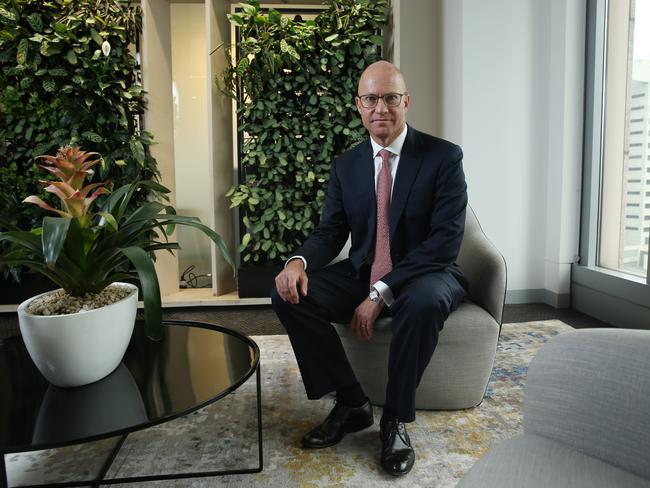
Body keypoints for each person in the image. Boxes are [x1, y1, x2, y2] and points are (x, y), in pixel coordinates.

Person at [271, 60, 468, 476]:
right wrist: (297, 262)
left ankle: (395, 420)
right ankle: (351, 401)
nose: (381, 107)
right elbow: (331, 231)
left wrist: (381, 292)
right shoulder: (347, 165)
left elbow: (444, 242)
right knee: (287, 292)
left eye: (391, 98)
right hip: (363, 270)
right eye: (371, 99)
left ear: (407, 102)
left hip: (427, 273)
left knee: (422, 302)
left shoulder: (443, 157)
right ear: (359, 105)